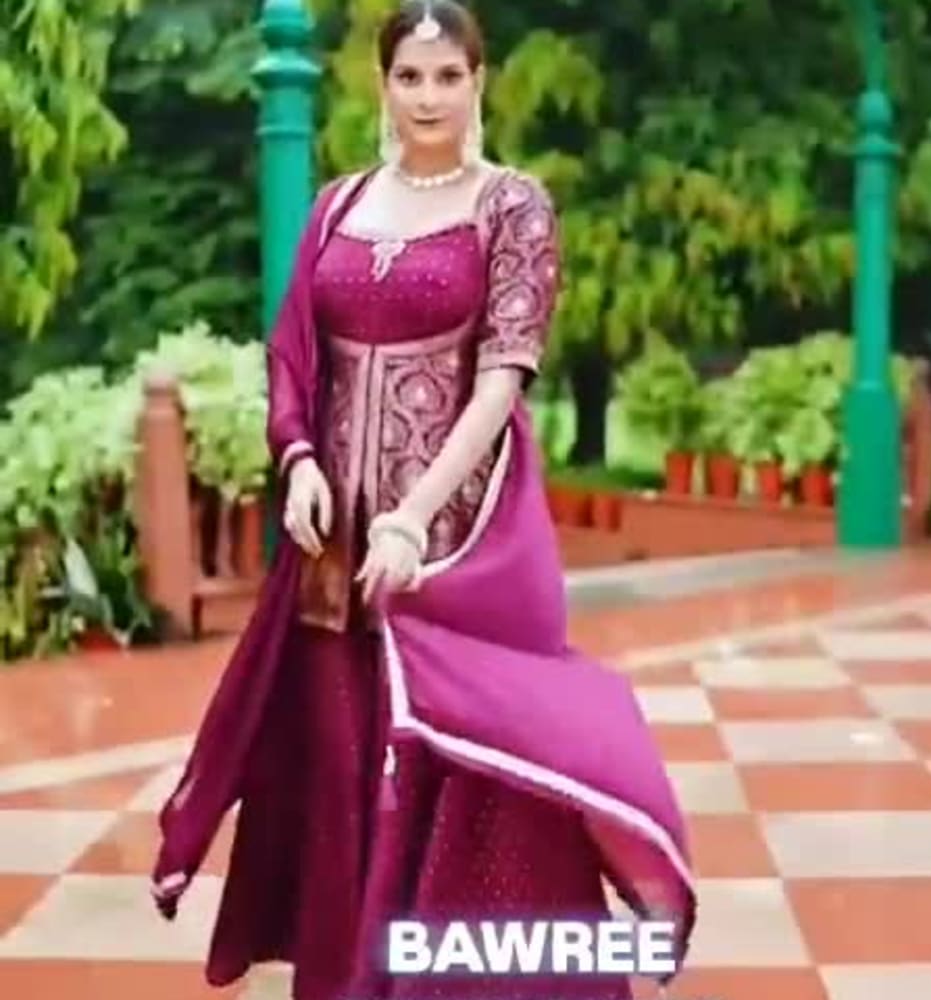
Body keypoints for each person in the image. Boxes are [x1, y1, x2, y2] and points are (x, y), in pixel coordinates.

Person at [151, 3, 695, 998]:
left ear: (477, 83)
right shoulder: (339, 205)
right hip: (336, 556)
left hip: (457, 547)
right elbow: (292, 350)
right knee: (343, 760)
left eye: (448, 76)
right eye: (410, 76)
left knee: (465, 765)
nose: (429, 96)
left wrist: (414, 516)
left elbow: (502, 378)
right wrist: (298, 459)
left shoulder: (511, 206)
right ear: (383, 84)